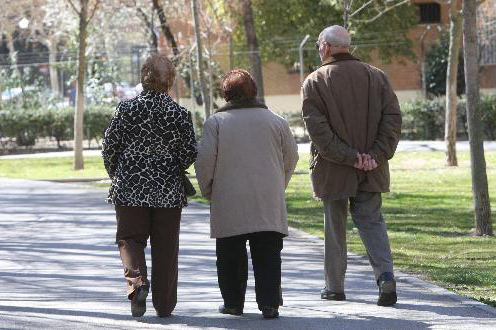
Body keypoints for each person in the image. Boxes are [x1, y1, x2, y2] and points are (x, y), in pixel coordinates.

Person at [301, 25, 402, 306]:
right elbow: (393, 121)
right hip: (372, 168)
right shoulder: (377, 77)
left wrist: (350, 157)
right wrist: (374, 155)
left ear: (325, 47)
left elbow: (318, 132)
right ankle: (385, 277)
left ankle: (334, 287)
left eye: (320, 45)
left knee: (335, 227)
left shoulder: (315, 82)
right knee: (372, 222)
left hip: (334, 169)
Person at [195, 69, 299, 319]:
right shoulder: (276, 121)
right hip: (267, 198)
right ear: (254, 91)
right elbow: (292, 156)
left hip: (229, 197)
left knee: (229, 254)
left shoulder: (216, 123)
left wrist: (209, 189)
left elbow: (205, 160)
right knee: (269, 254)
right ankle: (269, 303)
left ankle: (233, 302)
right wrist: (279, 183)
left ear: (226, 95)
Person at [102, 54, 197, 317]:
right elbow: (189, 151)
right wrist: (172, 165)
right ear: (170, 81)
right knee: (166, 246)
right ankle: (165, 306)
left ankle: (137, 284)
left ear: (144, 77)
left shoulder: (126, 109)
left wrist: (117, 173)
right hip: (168, 189)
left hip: (130, 185)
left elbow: (109, 147)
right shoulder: (179, 113)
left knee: (130, 239)